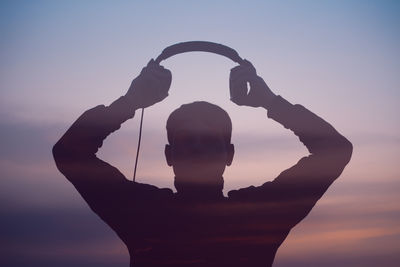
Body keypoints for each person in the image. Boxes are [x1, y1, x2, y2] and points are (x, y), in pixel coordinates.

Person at [53, 59, 352, 267]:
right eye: (187, 140)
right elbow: (334, 150)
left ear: (229, 154)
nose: (196, 147)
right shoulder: (259, 216)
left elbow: (70, 153)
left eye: (208, 140)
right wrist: (128, 102)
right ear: (169, 155)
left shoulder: (142, 212)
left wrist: (271, 101)